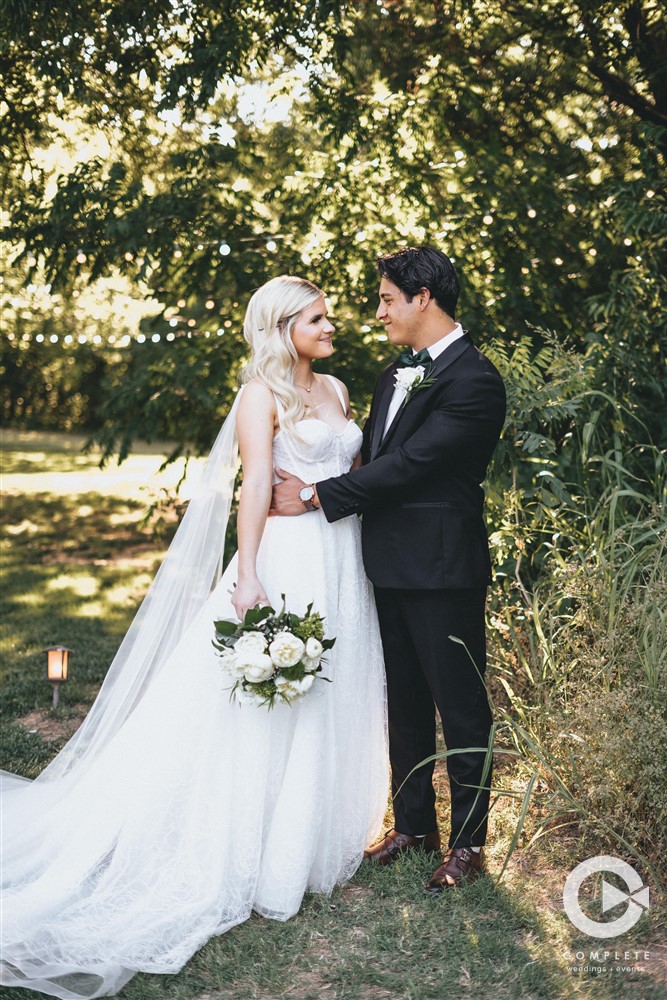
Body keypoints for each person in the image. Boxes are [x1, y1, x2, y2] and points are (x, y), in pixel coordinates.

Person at [0, 275, 389, 999]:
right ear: (282, 327)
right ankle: (250, 842)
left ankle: (303, 838)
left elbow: (352, 471)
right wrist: (245, 577)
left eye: (329, 316)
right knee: (269, 704)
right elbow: (252, 488)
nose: (332, 326)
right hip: (287, 556)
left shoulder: (334, 388)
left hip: (342, 557)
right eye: (318, 318)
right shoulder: (258, 396)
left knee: (329, 690)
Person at [271, 246, 506, 892]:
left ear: (421, 299)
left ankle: (467, 844)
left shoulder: (474, 381)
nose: (377, 313)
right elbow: (372, 459)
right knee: (401, 703)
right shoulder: (390, 375)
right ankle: (411, 826)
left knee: (459, 709)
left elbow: (413, 465)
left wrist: (317, 497)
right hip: (383, 564)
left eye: (385, 300)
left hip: (442, 566)